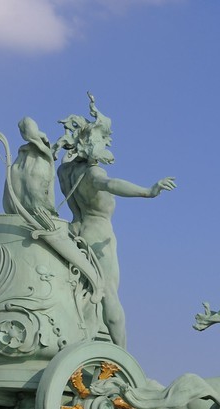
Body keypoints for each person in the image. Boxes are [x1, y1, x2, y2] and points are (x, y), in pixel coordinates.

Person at [55, 94, 176, 348]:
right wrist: (148, 191)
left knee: (82, 292)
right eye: (103, 139)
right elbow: (109, 184)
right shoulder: (93, 173)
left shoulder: (64, 171)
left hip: (73, 233)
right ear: (90, 142)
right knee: (109, 294)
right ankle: (122, 356)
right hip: (97, 235)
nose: (107, 144)